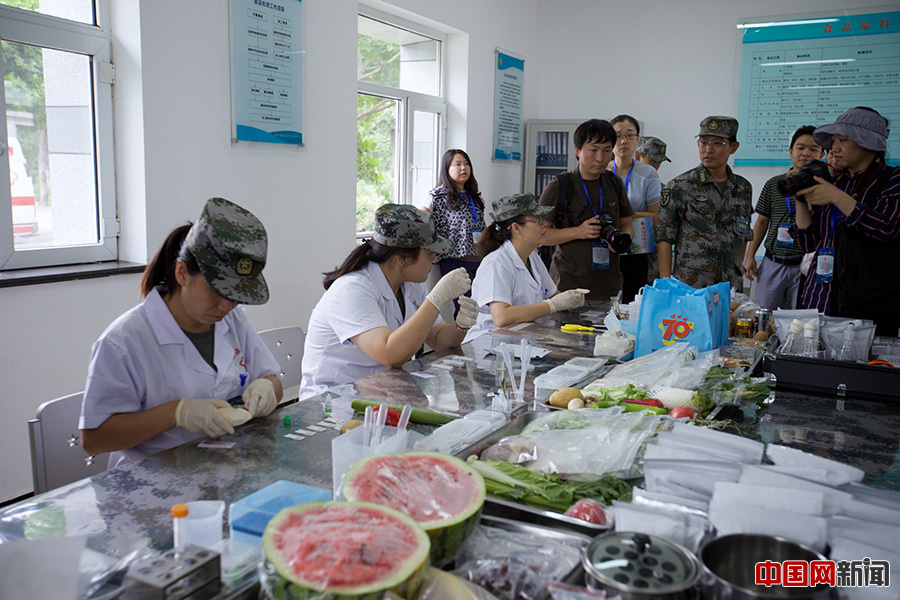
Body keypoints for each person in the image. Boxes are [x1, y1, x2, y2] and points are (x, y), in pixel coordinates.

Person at [80, 198, 283, 468]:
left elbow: (272, 379)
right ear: (182, 273)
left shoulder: (232, 320)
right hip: (153, 484)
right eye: (217, 292)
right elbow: (94, 439)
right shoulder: (123, 341)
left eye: (236, 296)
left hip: (225, 467)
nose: (226, 306)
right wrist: (176, 413)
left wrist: (266, 388)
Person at [300, 204, 478, 399]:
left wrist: (461, 324)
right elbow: (390, 354)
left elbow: (439, 340)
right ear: (402, 257)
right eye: (429, 253)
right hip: (334, 402)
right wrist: (437, 298)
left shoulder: (410, 284)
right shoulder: (352, 290)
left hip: (380, 392)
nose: (435, 258)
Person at [792, 106, 900, 336]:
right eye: (833, 141)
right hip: (818, 297)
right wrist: (800, 201)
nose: (834, 148)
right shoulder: (838, 182)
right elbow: (809, 244)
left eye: (843, 140)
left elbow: (886, 227)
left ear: (869, 143)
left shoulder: (892, 179)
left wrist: (835, 196)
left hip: (867, 307)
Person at [464, 194, 588, 341]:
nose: (544, 225)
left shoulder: (532, 257)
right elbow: (501, 317)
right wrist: (552, 305)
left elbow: (553, 295)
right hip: (490, 345)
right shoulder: (497, 263)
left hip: (523, 339)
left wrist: (570, 299)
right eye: (537, 220)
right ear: (516, 228)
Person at [538, 119, 635, 303]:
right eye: (593, 150)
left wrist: (622, 240)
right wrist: (578, 232)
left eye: (607, 151)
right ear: (577, 150)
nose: (600, 158)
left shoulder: (614, 183)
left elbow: (627, 225)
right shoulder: (560, 185)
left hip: (609, 287)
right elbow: (540, 235)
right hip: (567, 287)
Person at [656, 116, 753, 289]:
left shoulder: (743, 187)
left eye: (717, 143)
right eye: (703, 142)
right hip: (691, 283)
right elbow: (664, 237)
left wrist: (738, 266)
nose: (708, 149)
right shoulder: (680, 186)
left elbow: (744, 233)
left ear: (733, 147)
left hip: (730, 284)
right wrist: (666, 284)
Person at [743, 126, 824, 309]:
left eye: (813, 149)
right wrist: (750, 256)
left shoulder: (824, 188)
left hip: (804, 265)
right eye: (800, 147)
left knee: (800, 321)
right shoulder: (774, 185)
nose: (806, 153)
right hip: (773, 262)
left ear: (822, 154)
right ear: (790, 151)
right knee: (764, 318)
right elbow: (762, 222)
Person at [423, 149, 485, 313]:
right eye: (457, 164)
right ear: (447, 168)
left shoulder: (473, 196)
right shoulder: (438, 195)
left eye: (466, 164)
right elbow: (421, 216)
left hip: (478, 259)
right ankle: (463, 339)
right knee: (465, 308)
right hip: (455, 260)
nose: (463, 168)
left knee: (483, 306)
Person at [608, 115, 662, 302]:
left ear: (637, 140)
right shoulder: (601, 172)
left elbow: (656, 217)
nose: (623, 141)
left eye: (630, 135)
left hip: (636, 249)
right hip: (604, 246)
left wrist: (622, 214)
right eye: (618, 135)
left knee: (633, 303)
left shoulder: (648, 173)